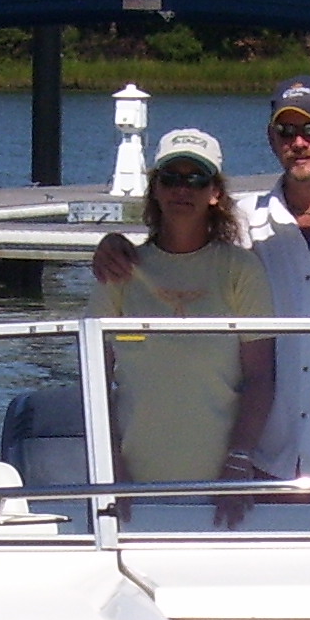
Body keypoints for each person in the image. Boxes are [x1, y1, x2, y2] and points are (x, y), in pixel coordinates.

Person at [93, 77, 310, 483]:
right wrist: (114, 247)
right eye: (286, 131)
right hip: (263, 466)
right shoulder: (243, 223)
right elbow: (175, 249)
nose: (299, 142)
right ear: (272, 138)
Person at [83, 128, 276, 507]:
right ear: (155, 189)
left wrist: (238, 462)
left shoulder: (241, 270)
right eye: (170, 178)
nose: (182, 190)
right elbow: (94, 377)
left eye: (196, 179)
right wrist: (110, 466)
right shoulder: (122, 268)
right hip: (129, 485)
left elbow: (260, 378)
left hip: (220, 486)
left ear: (215, 193)